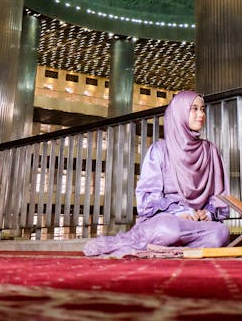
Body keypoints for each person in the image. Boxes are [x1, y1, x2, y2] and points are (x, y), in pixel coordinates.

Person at [83, 90, 231, 256]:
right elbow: (147, 199)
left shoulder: (210, 151)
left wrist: (209, 213)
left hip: (197, 225)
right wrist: (178, 211)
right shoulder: (159, 150)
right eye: (194, 109)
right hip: (166, 220)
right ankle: (172, 248)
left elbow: (220, 196)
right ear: (179, 113)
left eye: (202, 109)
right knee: (168, 229)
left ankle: (169, 251)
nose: (201, 114)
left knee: (220, 233)